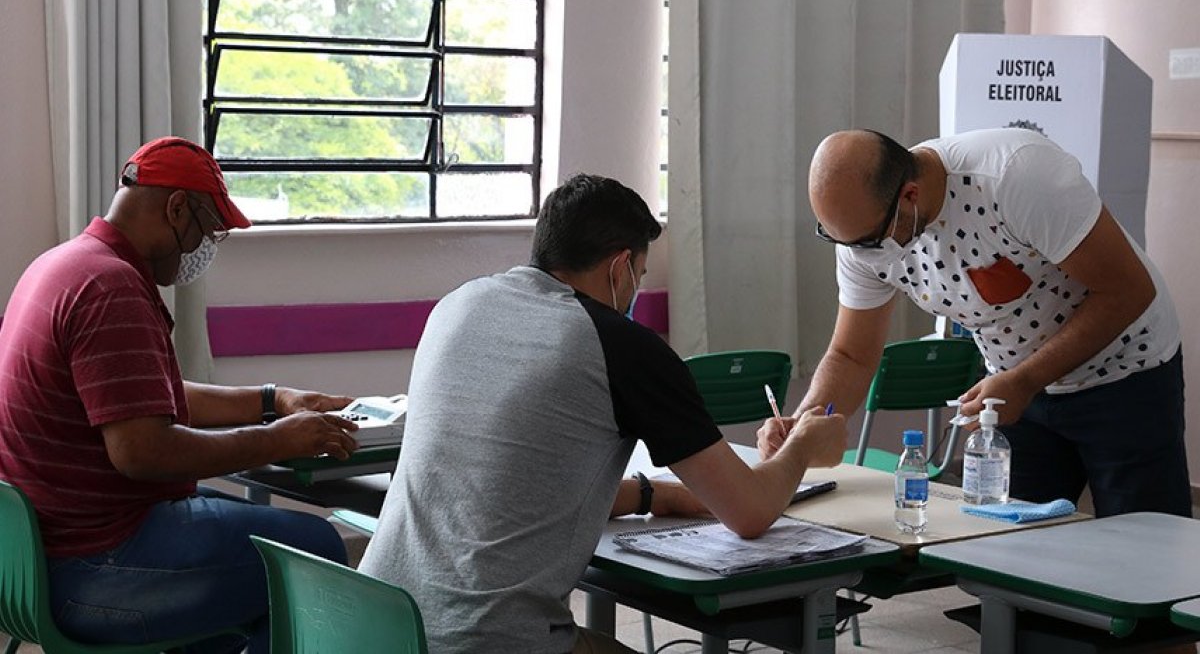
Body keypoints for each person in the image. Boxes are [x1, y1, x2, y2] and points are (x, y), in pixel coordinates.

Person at [359, 174, 846, 654]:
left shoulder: (457, 305)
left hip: (377, 622)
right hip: (482, 638)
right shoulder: (618, 344)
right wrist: (804, 442)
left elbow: (514, 476)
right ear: (620, 268)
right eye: (641, 275)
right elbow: (751, 512)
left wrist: (657, 497)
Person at [0, 137, 361, 654]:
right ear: (175, 208)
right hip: (93, 569)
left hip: (35, 560)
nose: (202, 248)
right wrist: (278, 441)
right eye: (207, 230)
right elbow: (142, 450)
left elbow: (146, 400)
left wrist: (272, 400)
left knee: (247, 547)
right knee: (317, 552)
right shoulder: (111, 288)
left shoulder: (61, 266)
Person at [761, 126, 1188, 519]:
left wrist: (1024, 380)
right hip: (1013, 388)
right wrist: (803, 427)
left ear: (909, 195)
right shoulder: (860, 234)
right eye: (841, 240)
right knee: (1014, 552)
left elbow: (1127, 289)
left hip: (1124, 372)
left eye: (870, 241)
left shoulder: (1014, 176)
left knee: (1142, 543)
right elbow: (852, 355)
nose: (863, 256)